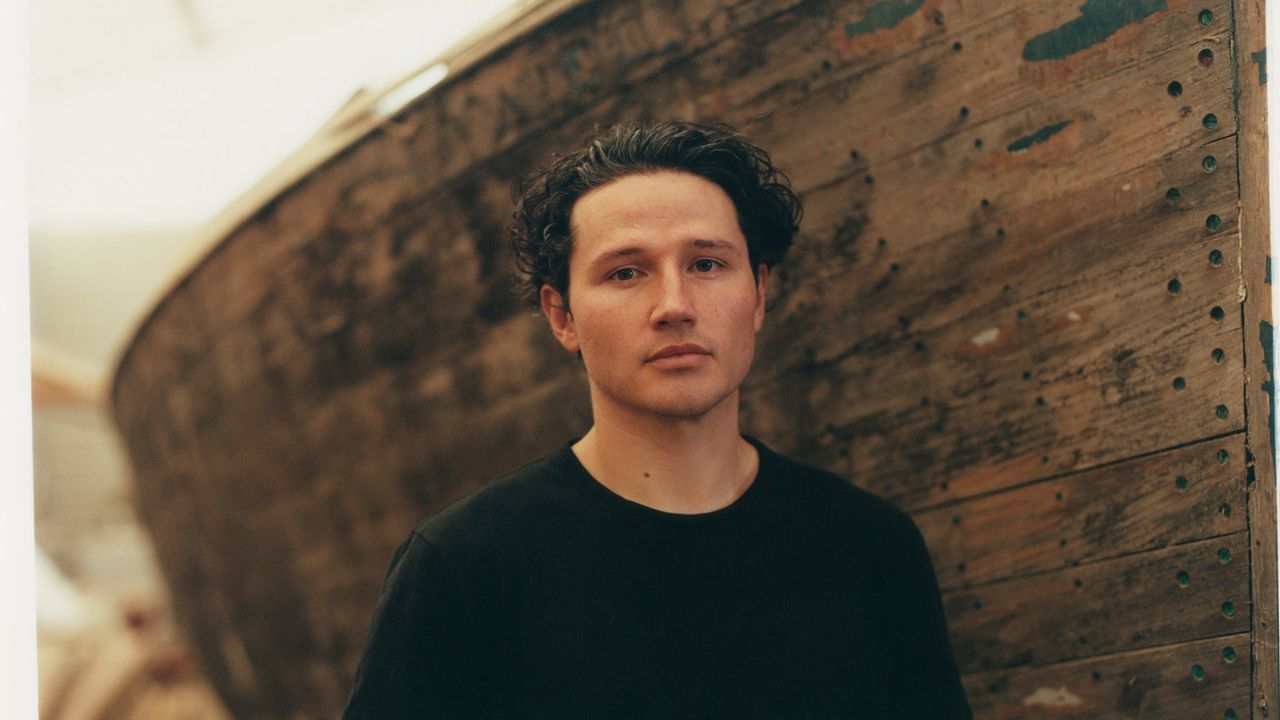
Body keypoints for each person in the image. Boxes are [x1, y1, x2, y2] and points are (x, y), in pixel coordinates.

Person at [342, 121, 972, 718]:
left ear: (759, 293)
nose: (674, 306)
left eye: (705, 264)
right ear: (561, 317)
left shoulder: (870, 545)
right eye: (626, 272)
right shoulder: (463, 569)